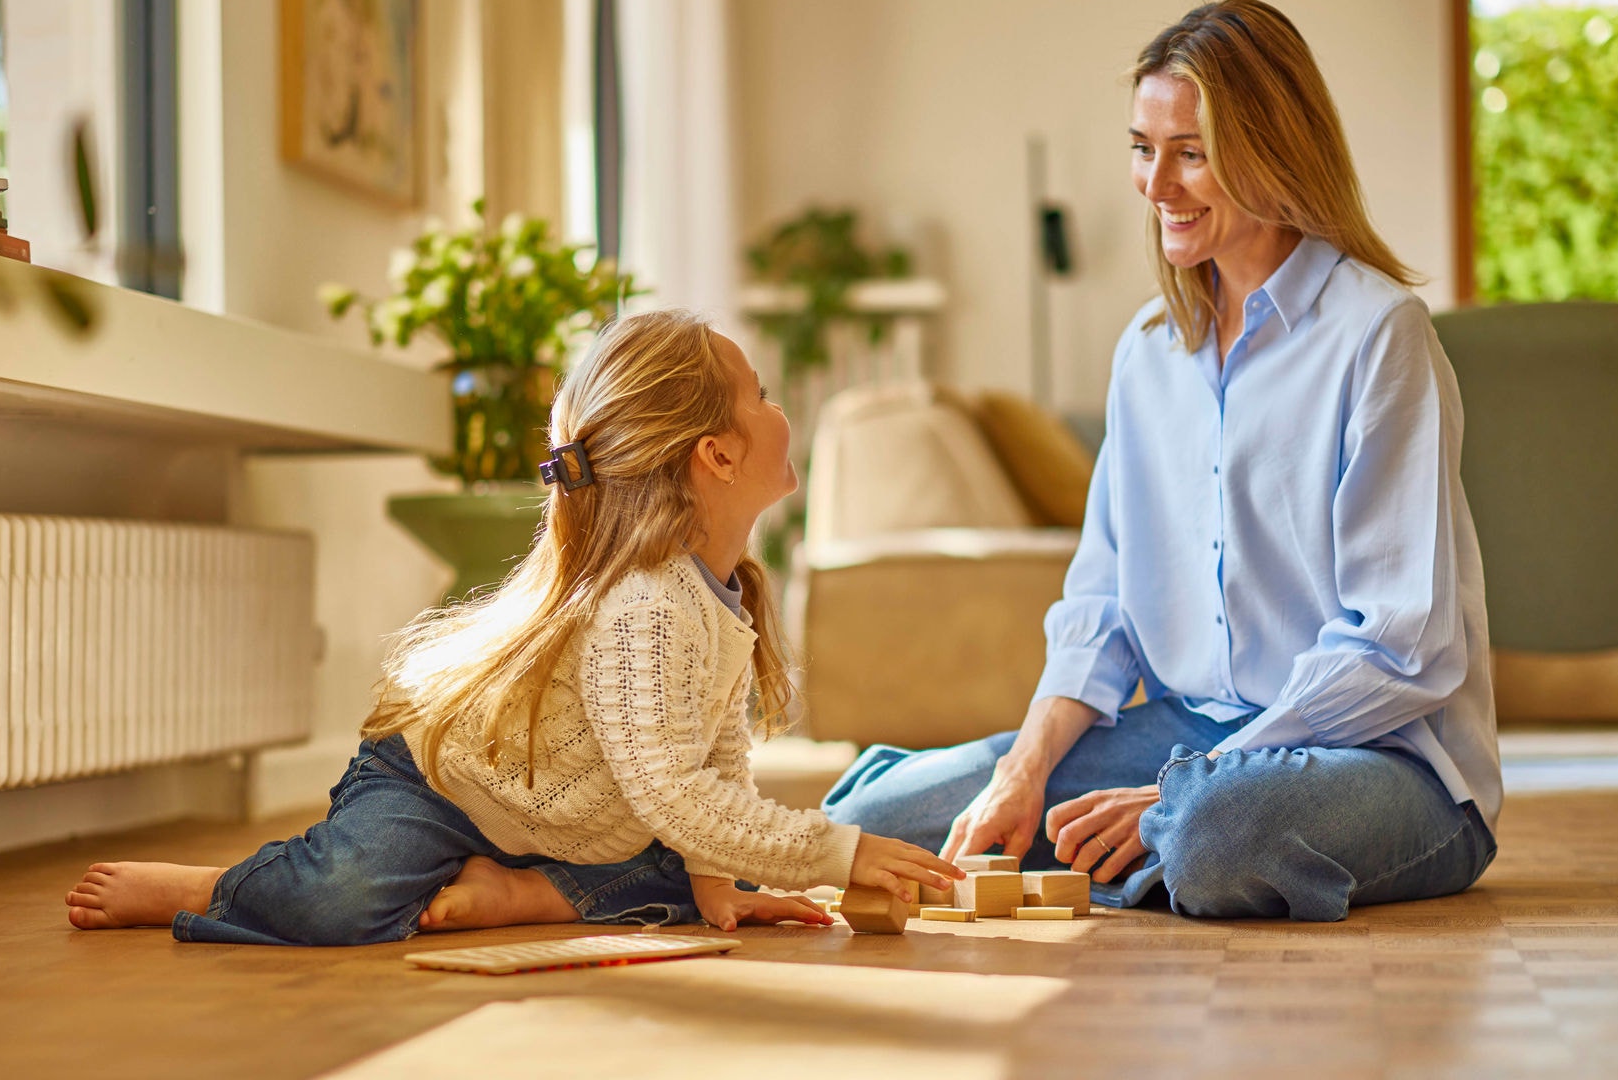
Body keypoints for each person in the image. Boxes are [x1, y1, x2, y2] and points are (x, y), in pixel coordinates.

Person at [822, 0, 1501, 922]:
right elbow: (1102, 607)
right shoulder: (1149, 350)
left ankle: (1155, 848)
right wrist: (1025, 771)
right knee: (876, 822)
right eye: (1143, 147)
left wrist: (1194, 788)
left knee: (1216, 836)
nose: (1156, 184)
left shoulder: (1379, 335)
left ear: (1274, 150)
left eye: (1190, 151)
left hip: (1378, 760)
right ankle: (1136, 851)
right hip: (1184, 742)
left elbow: (1400, 645)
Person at [65, 311, 961, 944]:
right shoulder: (647, 604)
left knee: (712, 854)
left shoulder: (720, 589)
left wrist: (720, 888)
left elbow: (711, 759)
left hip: (582, 822)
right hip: (445, 791)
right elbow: (677, 797)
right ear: (716, 454)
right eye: (761, 395)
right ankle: (222, 888)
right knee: (341, 900)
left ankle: (523, 892)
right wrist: (831, 854)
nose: (783, 412)